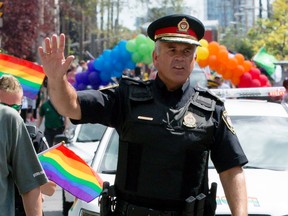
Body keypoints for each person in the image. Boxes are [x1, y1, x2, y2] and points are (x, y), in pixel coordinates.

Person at [39, 14, 248, 215]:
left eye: (186, 52)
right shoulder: (127, 98)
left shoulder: (211, 109)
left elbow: (231, 169)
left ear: (194, 59)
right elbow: (71, 106)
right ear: (155, 57)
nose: (179, 58)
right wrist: (57, 80)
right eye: (172, 49)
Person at [0, 74, 57, 215]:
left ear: (22, 104)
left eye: (15, 107)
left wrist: (24, 176)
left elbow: (50, 189)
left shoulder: (34, 137)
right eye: (5, 106)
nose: (11, 112)